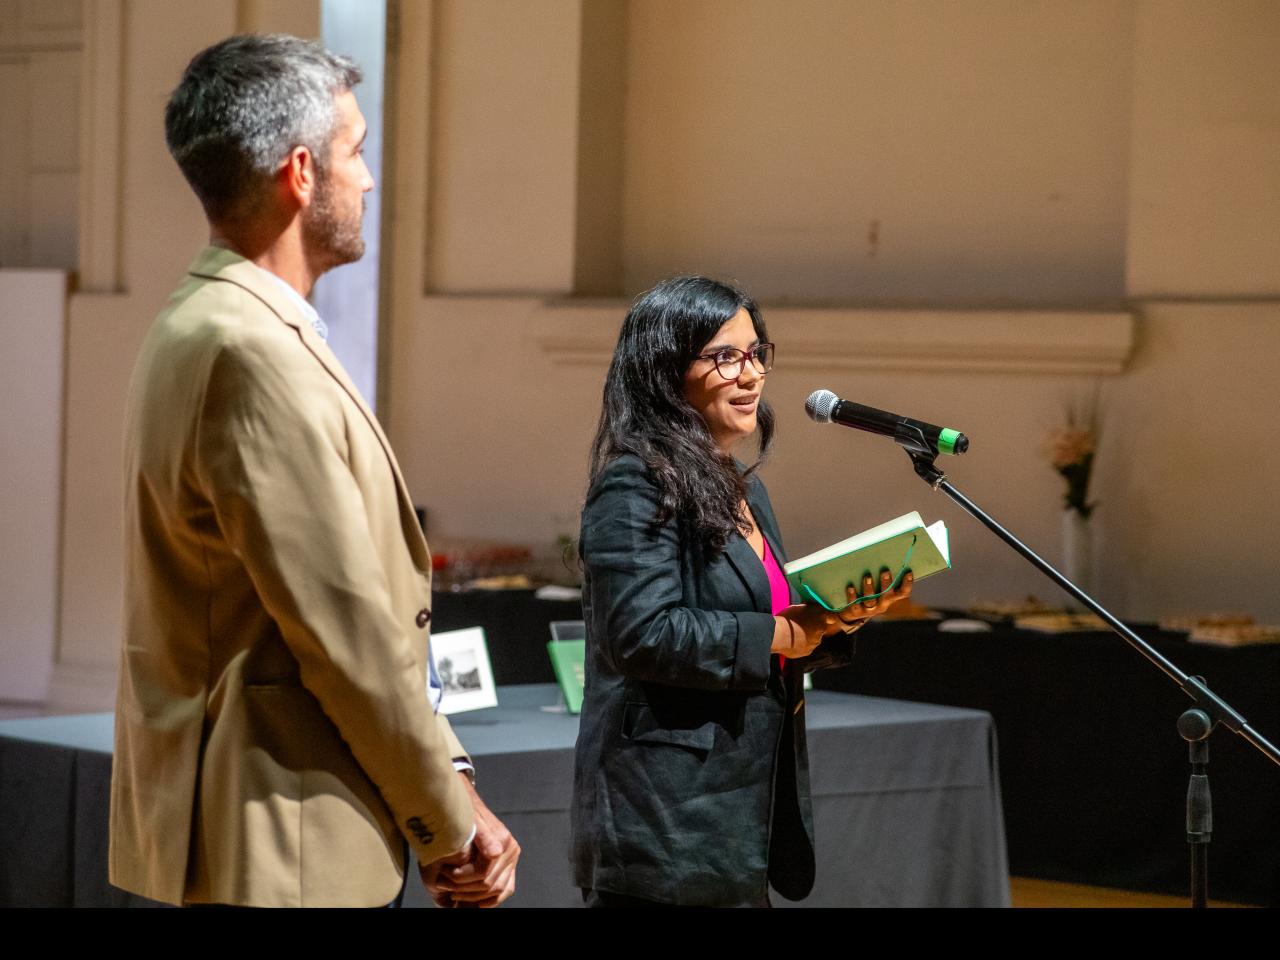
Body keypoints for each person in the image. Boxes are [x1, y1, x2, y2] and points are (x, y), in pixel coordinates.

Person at [108, 34, 518, 908]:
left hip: (254, 826)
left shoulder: (198, 320)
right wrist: (450, 818)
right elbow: (347, 640)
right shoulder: (250, 349)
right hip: (282, 836)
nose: (367, 179)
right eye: (355, 152)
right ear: (301, 173)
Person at [570, 277, 912, 907]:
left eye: (757, 353)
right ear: (664, 369)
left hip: (740, 807)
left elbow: (774, 623)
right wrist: (784, 634)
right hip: (666, 814)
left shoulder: (744, 490)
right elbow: (640, 635)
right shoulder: (634, 484)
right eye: (725, 356)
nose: (751, 374)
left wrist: (836, 619)